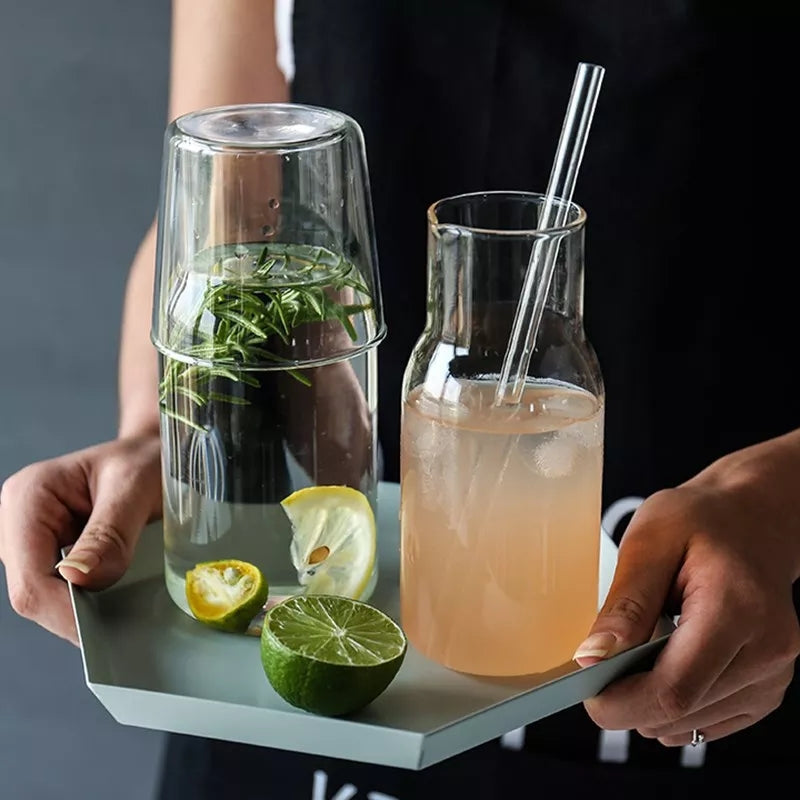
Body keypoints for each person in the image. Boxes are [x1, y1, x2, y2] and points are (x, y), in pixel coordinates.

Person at [0, 0, 797, 797]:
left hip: (699, 657)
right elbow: (214, 219)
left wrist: (776, 500)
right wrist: (160, 431)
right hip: (299, 701)